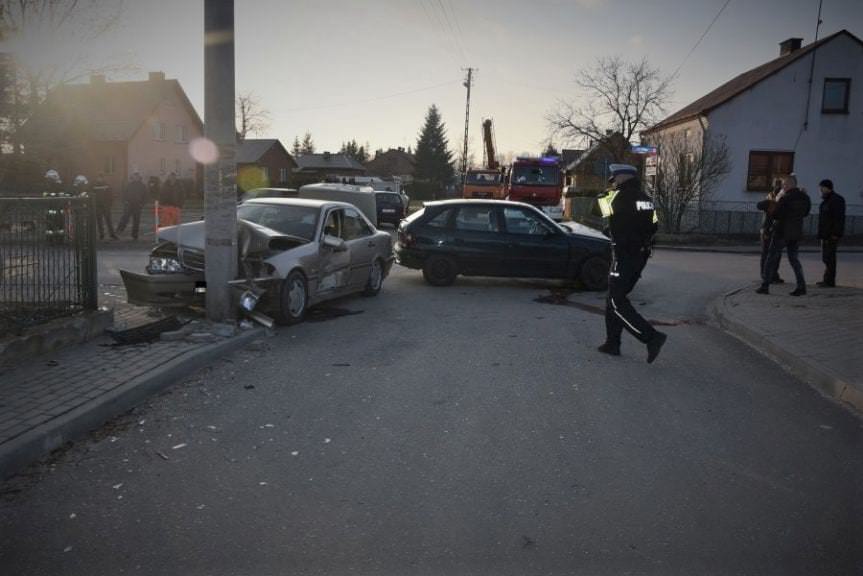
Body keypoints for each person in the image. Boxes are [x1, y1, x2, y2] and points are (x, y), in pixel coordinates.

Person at [596, 163, 667, 363]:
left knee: (615, 300)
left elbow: (597, 210)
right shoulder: (647, 200)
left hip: (623, 255)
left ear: (622, 178)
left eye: (615, 178)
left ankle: (651, 337)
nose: (613, 181)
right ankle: (612, 343)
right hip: (640, 255)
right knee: (614, 296)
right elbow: (654, 226)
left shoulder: (613, 197)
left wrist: (607, 197)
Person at [757, 174, 811, 296]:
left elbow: (777, 214)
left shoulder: (785, 198)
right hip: (796, 233)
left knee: (771, 259)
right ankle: (801, 286)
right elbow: (806, 212)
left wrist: (772, 204)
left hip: (781, 232)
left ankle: (765, 285)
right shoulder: (805, 198)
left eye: (784, 184)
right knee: (794, 260)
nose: (782, 186)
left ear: (789, 184)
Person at [816, 179, 845, 287]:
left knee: (830, 258)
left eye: (822, 188)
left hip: (831, 235)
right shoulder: (826, 200)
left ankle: (829, 281)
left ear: (827, 188)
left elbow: (839, 219)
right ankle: (827, 279)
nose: (820, 190)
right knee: (826, 257)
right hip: (825, 234)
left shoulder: (836, 200)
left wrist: (836, 234)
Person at [758, 178, 785, 284]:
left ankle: (774, 274)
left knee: (776, 254)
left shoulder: (783, 198)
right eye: (777, 185)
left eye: (780, 185)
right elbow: (761, 206)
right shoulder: (770, 198)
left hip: (777, 229)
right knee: (766, 253)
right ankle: (765, 274)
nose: (779, 187)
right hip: (767, 229)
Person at [116, 171, 148, 240]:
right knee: (125, 218)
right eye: (134, 177)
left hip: (137, 205)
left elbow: (146, 196)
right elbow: (124, 194)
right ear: (133, 177)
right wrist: (125, 202)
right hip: (129, 204)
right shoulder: (129, 185)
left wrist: (141, 204)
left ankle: (134, 234)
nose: (136, 178)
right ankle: (119, 231)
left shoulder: (142, 186)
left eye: (137, 177)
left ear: (139, 178)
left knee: (136, 220)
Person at [91, 174, 118, 240]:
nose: (99, 179)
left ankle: (111, 234)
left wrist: (110, 204)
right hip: (99, 206)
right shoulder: (93, 185)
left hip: (105, 205)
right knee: (100, 221)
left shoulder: (105, 185)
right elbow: (90, 193)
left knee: (108, 220)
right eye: (98, 177)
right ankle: (102, 235)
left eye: (100, 178)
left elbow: (111, 195)